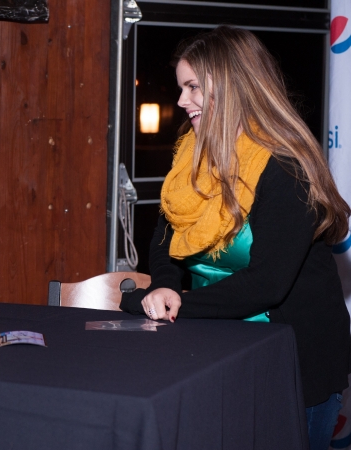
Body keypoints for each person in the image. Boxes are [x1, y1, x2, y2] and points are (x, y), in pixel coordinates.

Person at [120, 26, 351, 450]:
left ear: (230, 87)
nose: (181, 100)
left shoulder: (285, 166)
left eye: (192, 87)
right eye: (181, 87)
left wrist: (176, 305)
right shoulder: (192, 153)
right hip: (220, 345)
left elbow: (266, 284)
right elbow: (164, 238)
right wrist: (167, 284)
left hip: (295, 359)